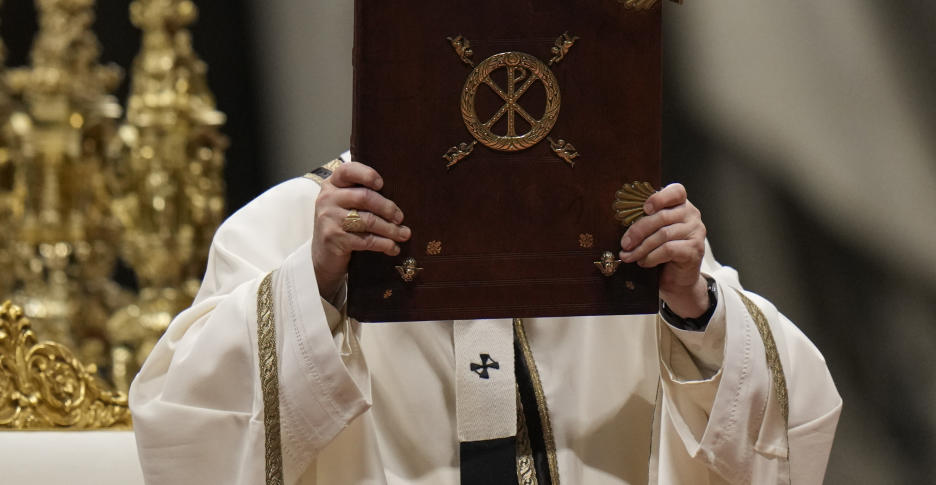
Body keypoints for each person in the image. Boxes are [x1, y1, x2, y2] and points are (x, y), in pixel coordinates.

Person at [129, 153, 841, 484]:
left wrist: (695, 306)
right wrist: (313, 283)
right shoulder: (298, 224)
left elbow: (794, 412)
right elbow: (184, 421)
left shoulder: (625, 228)